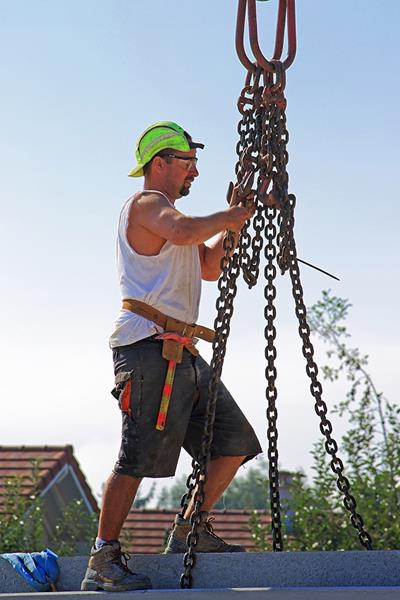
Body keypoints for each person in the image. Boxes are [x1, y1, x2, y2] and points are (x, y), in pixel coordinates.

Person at [81, 121, 262, 592]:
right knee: (137, 455)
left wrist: (233, 227)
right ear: (159, 163)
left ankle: (190, 529)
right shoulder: (147, 206)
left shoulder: (173, 217)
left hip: (181, 351)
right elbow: (183, 232)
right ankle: (102, 558)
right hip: (145, 349)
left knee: (234, 441)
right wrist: (227, 215)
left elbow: (206, 266)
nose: (195, 172)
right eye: (188, 163)